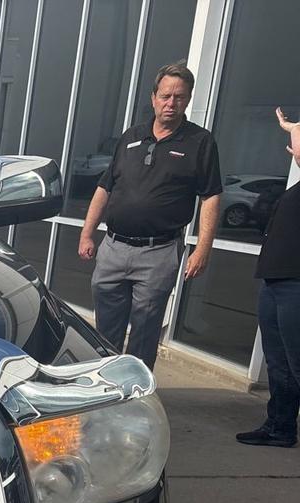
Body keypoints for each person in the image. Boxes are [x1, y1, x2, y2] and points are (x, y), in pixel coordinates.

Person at [78, 62, 223, 368]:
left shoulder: (200, 142)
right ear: (153, 97)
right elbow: (106, 187)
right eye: (166, 95)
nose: (172, 103)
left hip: (158, 253)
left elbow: (210, 196)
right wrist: (87, 232)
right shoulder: (131, 136)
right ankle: (105, 391)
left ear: (188, 99)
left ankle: (136, 400)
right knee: (105, 332)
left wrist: (203, 248)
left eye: (180, 97)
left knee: (144, 332)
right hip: (113, 248)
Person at [236, 109, 300, 447]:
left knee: (296, 363)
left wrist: (293, 127)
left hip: (295, 286)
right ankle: (280, 427)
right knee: (279, 364)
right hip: (276, 283)